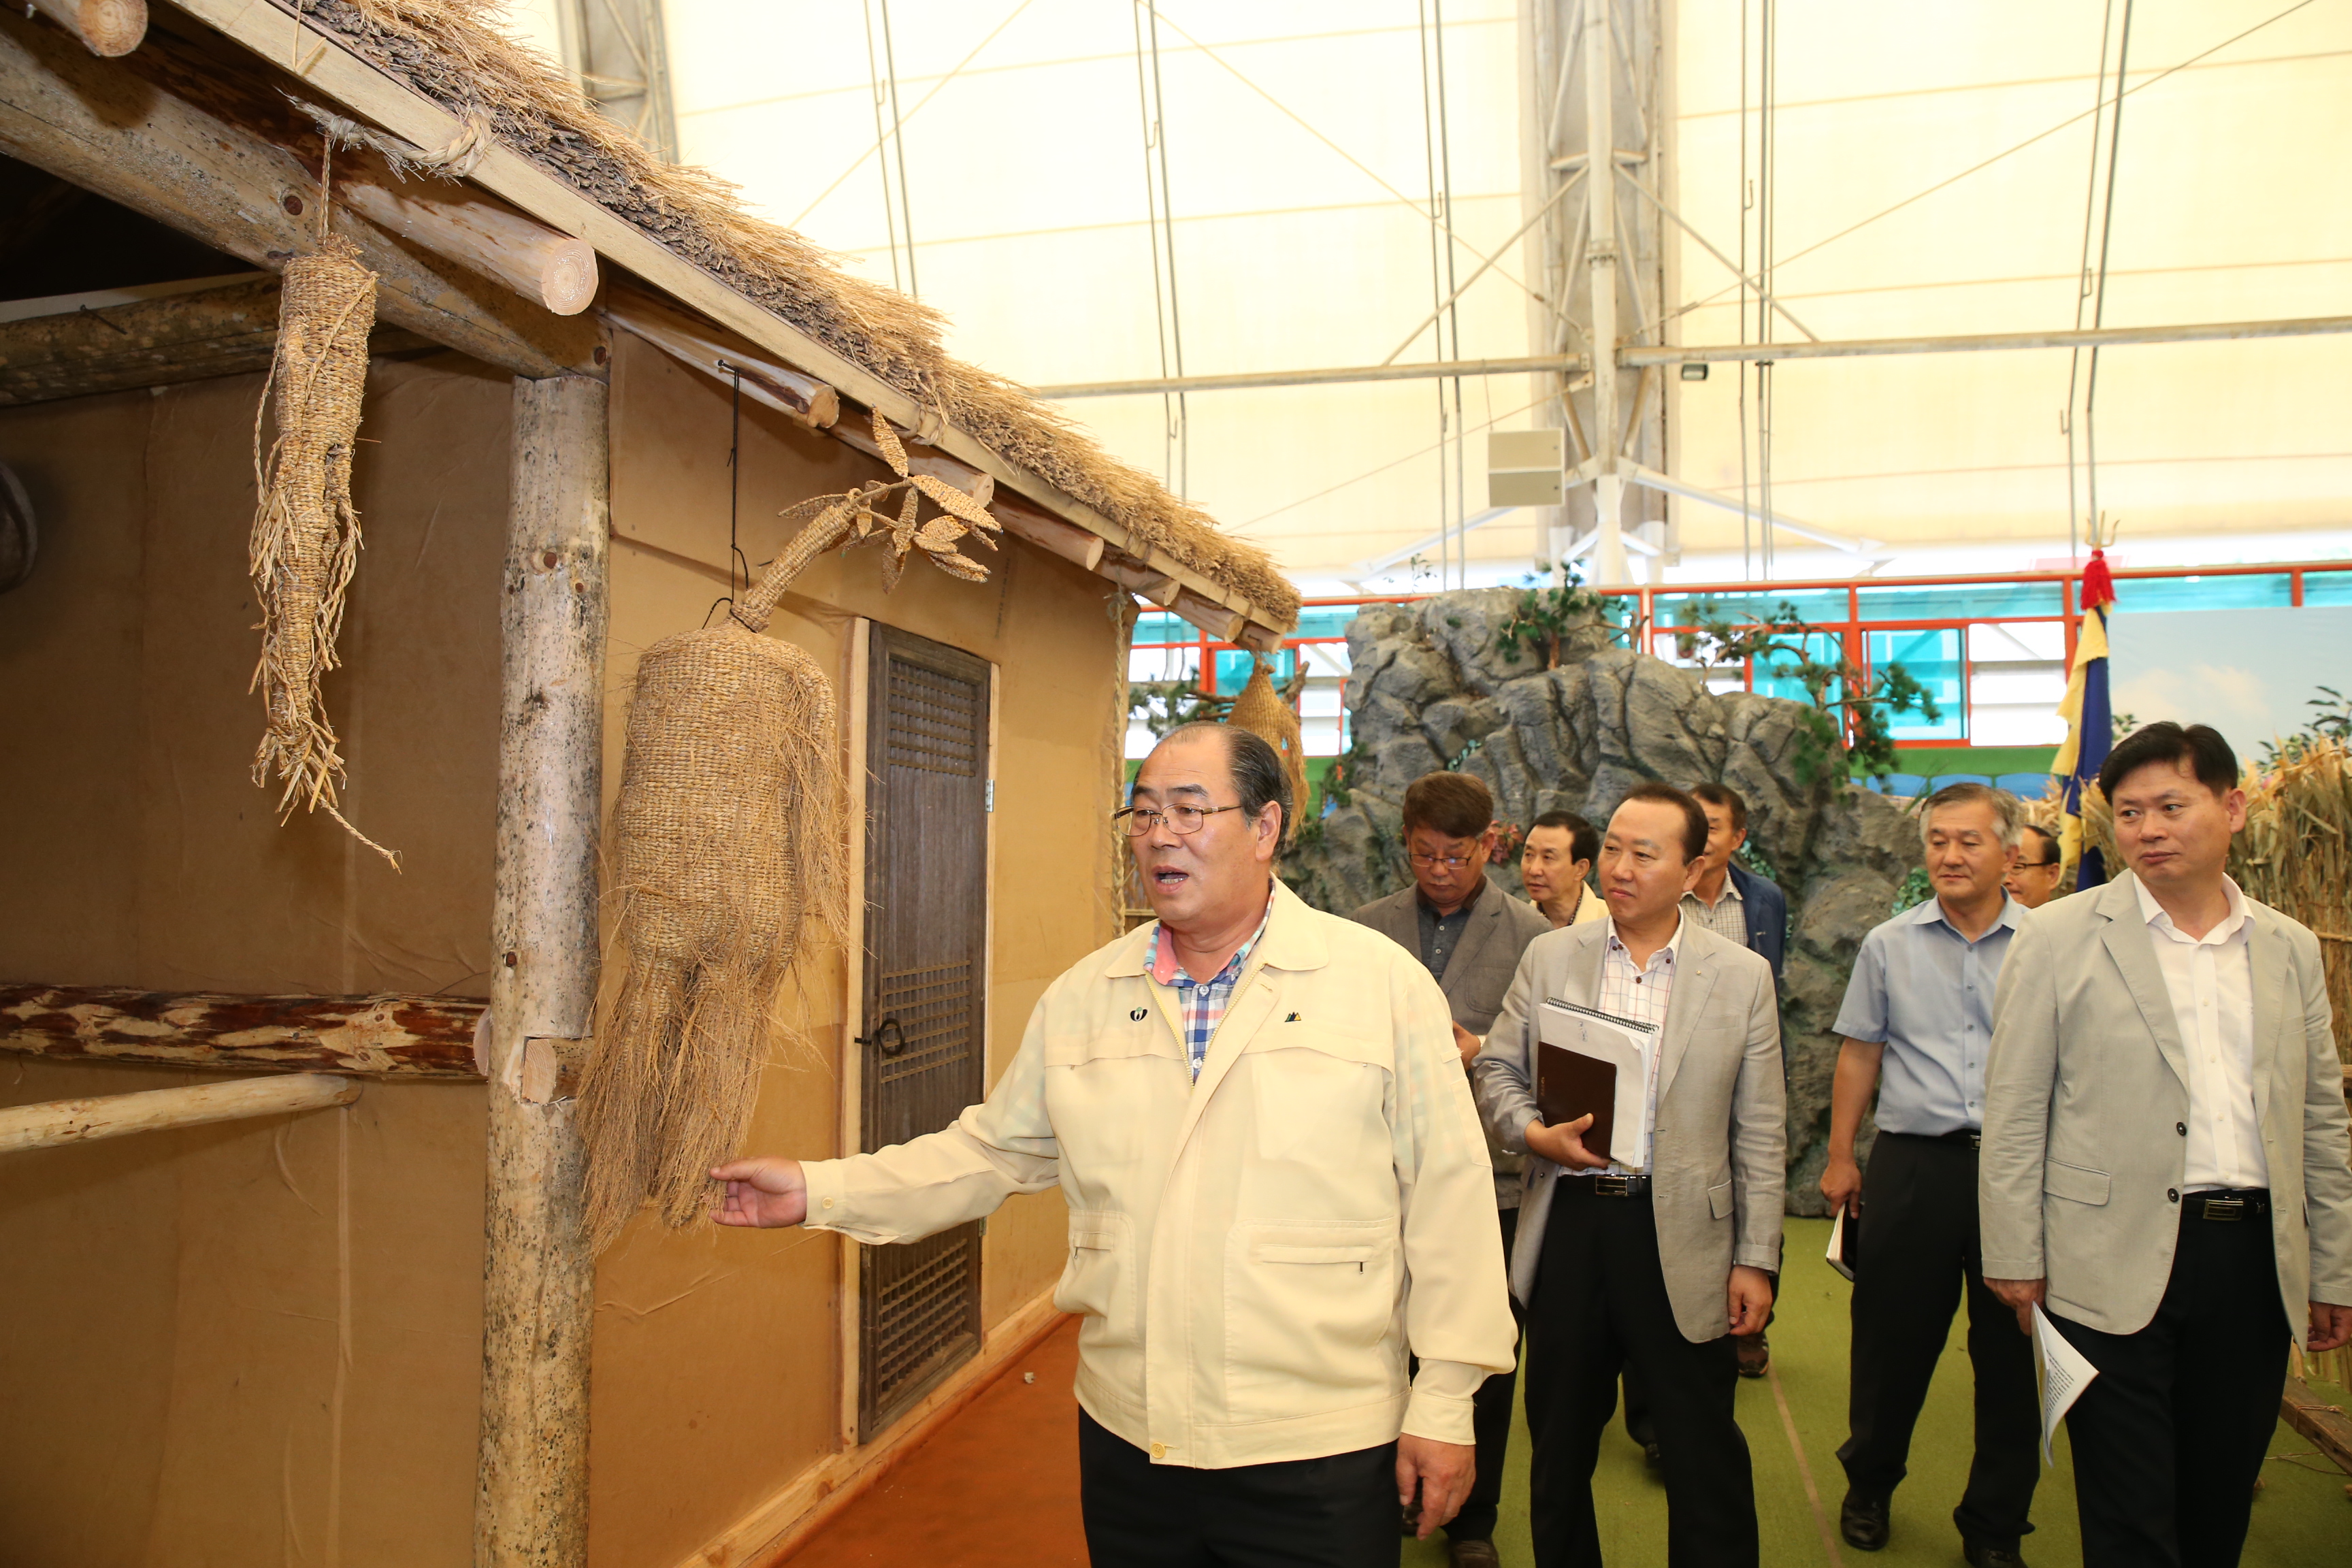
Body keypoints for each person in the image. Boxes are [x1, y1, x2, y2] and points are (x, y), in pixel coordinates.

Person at [712, 724, 1517, 1568]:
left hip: (1316, 1447)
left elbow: (1449, 1195)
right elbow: (989, 1153)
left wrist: (1446, 1400)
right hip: (1132, 1445)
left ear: (1268, 828)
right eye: (1141, 814)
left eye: (1190, 810)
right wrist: (817, 1190)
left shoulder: (1378, 985)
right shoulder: (1086, 996)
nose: (1160, 834)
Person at [1981, 722, 2352, 1568]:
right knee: (2129, 1517)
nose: (2147, 829)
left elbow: (2320, 1122)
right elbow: (2013, 1108)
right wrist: (2012, 1251)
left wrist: (2334, 1268)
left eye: (2170, 807)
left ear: (2232, 808)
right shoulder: (2057, 937)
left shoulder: (2289, 947)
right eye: (2130, 812)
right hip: (2103, 1261)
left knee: (2218, 1502)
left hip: (2253, 1265)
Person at [1475, 783, 1786, 1568]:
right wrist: (1535, 1134)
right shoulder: (1553, 955)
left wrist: (1757, 1257)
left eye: (1643, 853)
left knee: (1702, 1450)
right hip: (1573, 1225)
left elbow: (1760, 1129)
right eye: (1612, 846)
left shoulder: (1740, 975)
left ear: (1692, 869)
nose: (1618, 866)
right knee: (1559, 1447)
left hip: (1684, 1231)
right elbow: (1499, 1073)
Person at [1820, 783, 2039, 1567]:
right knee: (1892, 1342)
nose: (1948, 854)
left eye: (1968, 841)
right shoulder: (1889, 943)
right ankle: (1870, 1485)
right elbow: (1861, 1051)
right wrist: (1843, 1155)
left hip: (2019, 1172)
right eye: (1937, 840)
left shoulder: (2049, 944)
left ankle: (1995, 1526)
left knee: (2013, 1355)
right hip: (1915, 1165)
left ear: (2008, 852)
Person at [1352, 772, 1552, 1568]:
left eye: (1457, 855)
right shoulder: (1363, 933)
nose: (1440, 869)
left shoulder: (1535, 936)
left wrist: (1482, 1050)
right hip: (1377, 1176)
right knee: (1381, 1344)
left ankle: (1475, 1520)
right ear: (1407, 842)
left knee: (1480, 1353)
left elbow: (1549, 1060)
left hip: (1493, 1176)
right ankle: (1386, 1500)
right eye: (1426, 853)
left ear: (1490, 844)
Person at [1521, 810, 1606, 930]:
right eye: (1529, 855)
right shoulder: (1513, 924)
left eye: (1548, 858)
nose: (1534, 870)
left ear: (1580, 869)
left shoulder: (1611, 924)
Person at [2003, 823, 2064, 909]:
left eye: (2017, 867)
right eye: (1997, 867)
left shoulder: (2068, 922)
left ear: (2052, 875)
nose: (2005, 880)